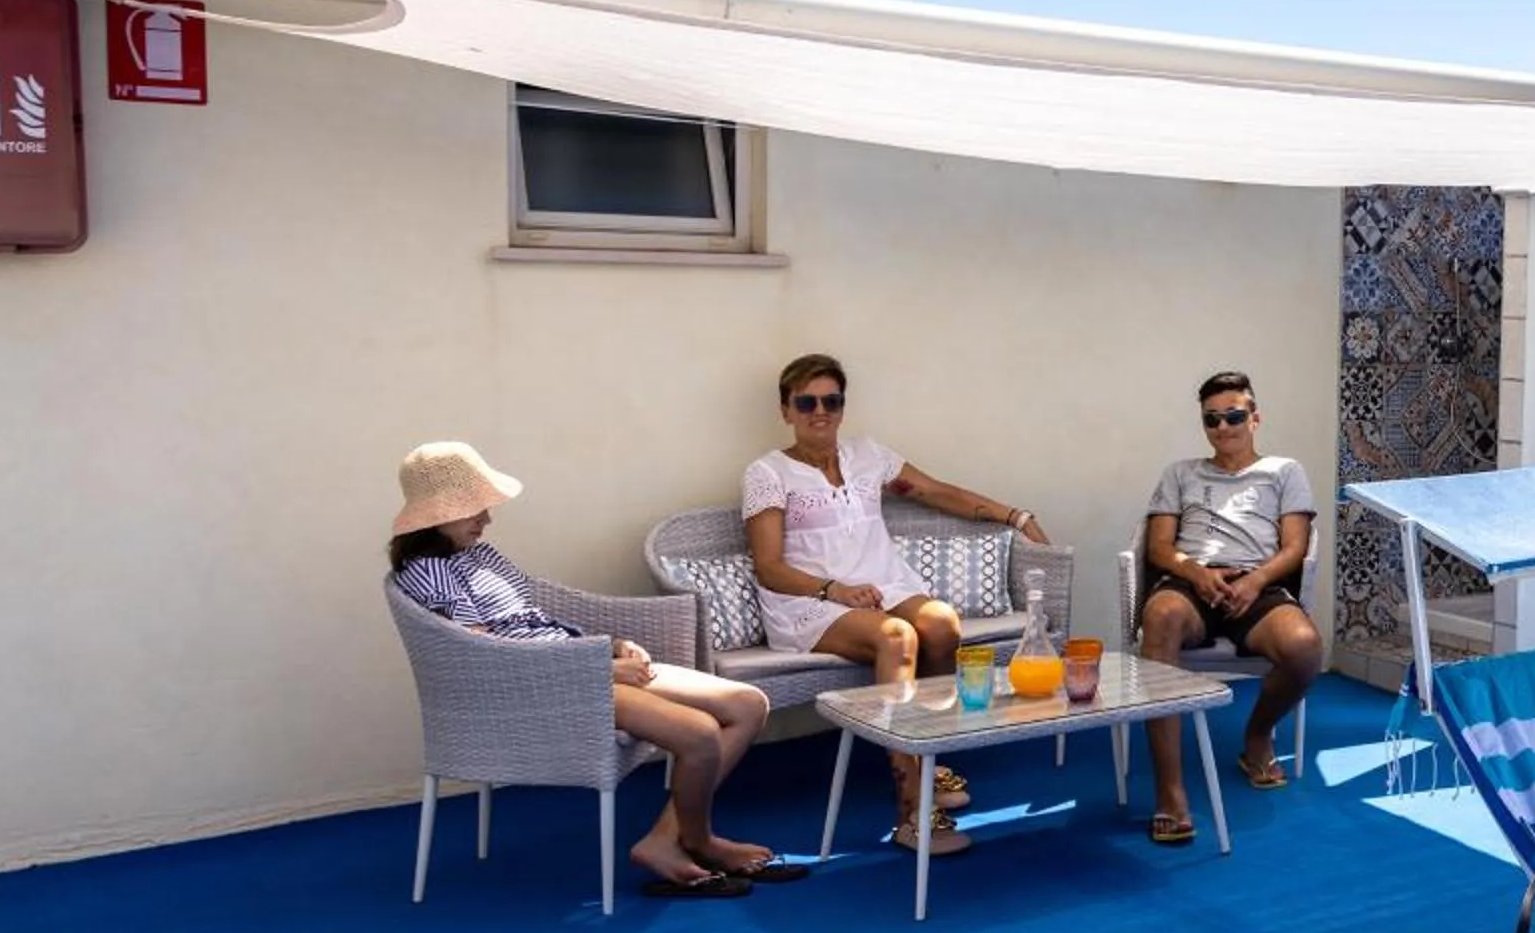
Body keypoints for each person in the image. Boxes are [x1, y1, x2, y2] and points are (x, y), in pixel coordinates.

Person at [389, 441, 796, 900]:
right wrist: (597, 671)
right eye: (473, 509)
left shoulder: (479, 554)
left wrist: (613, 647)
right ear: (435, 515)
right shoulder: (426, 571)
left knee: (747, 704)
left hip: (577, 662)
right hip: (552, 684)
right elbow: (486, 654)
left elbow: (536, 616)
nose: (486, 518)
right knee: (700, 734)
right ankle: (699, 841)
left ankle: (666, 839)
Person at [742, 352, 1054, 855]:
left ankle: (930, 756)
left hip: (883, 586)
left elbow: (935, 492)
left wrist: (1014, 516)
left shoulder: (868, 457)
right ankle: (912, 809)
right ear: (786, 410)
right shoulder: (768, 474)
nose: (819, 411)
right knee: (897, 636)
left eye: (831, 400)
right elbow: (768, 567)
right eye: (806, 402)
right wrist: (834, 590)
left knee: (941, 624)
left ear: (843, 407)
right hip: (808, 602)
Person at [1136, 371, 1322, 846]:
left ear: (1255, 418)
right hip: (1192, 582)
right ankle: (1170, 792)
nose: (1223, 427)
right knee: (1159, 619)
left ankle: (1257, 736)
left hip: (1256, 584)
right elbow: (1158, 547)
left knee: (1304, 649)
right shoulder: (1180, 473)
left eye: (1234, 415)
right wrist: (1198, 574)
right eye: (1212, 419)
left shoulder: (1284, 471)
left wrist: (1256, 580)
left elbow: (1296, 546)